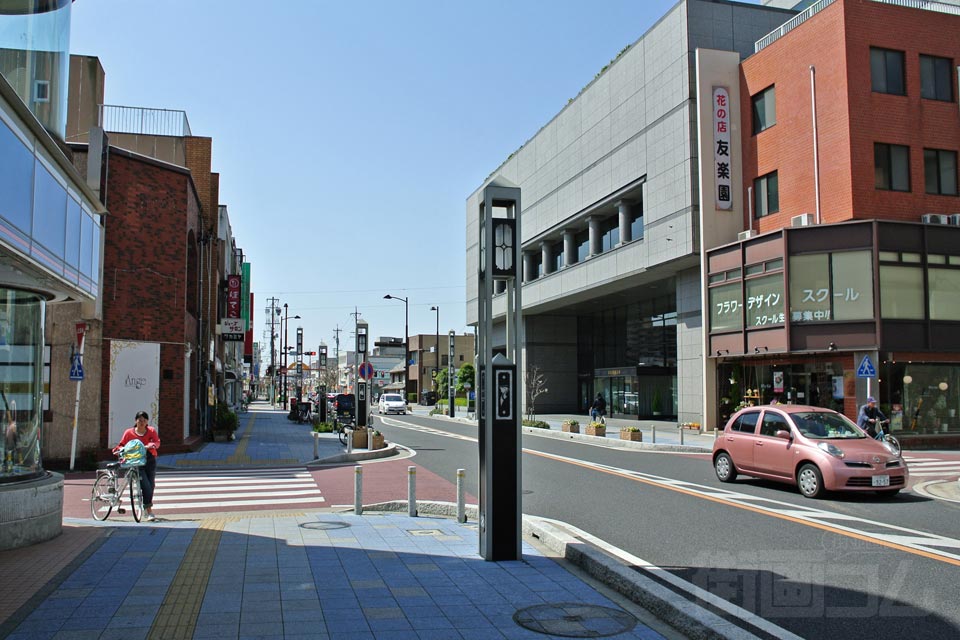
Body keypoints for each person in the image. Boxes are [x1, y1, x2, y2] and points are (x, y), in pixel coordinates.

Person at [114, 411, 160, 521]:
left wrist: (151, 445)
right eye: (140, 420)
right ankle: (149, 511)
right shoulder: (129, 433)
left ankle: (146, 508)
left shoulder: (151, 431)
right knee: (146, 485)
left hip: (149, 460)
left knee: (151, 484)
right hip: (136, 461)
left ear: (147, 422)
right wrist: (119, 449)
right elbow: (121, 444)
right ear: (136, 421)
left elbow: (157, 442)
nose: (142, 422)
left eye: (144, 420)